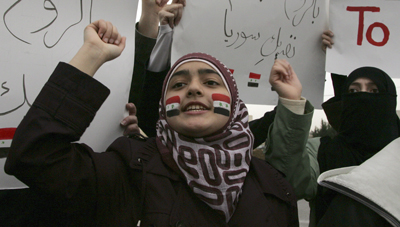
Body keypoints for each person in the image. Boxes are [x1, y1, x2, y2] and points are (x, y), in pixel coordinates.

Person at [5, 19, 314, 226]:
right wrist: (92, 54)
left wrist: (291, 100)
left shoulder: (273, 187)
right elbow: (34, 157)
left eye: (210, 82)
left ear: (234, 105)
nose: (193, 89)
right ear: (163, 111)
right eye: (178, 85)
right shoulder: (129, 171)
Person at [265, 29, 400, 226]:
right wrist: (291, 101)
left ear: (389, 100)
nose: (363, 97)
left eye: (374, 90)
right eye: (353, 90)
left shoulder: (396, 151)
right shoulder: (322, 150)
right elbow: (290, 182)